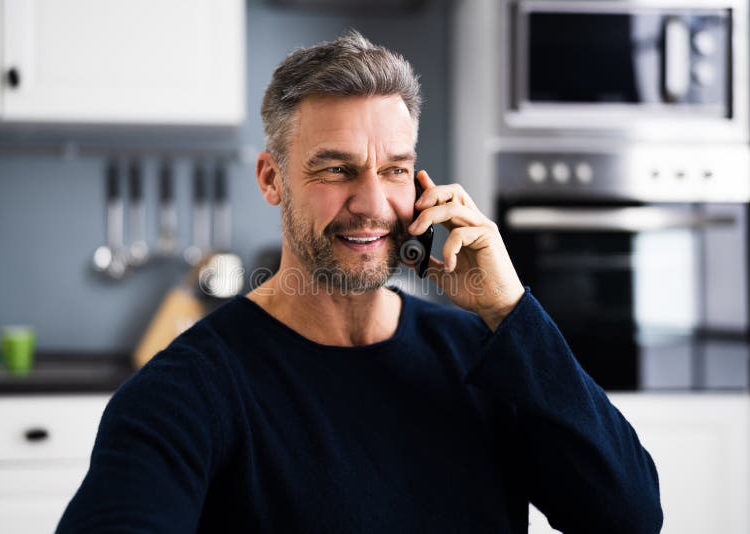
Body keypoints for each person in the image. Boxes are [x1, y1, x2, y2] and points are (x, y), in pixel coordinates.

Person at [57, 31, 663, 533]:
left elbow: (628, 518)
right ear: (272, 179)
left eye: (395, 170)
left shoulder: (486, 354)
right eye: (336, 170)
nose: (372, 204)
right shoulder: (189, 389)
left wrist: (510, 309)